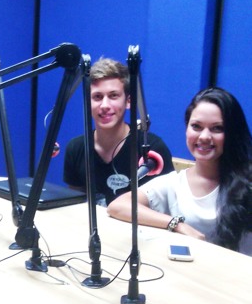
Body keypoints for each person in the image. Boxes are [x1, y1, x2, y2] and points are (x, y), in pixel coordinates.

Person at [107, 87, 252, 256]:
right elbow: (117, 206)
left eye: (217, 128)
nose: (204, 136)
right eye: (196, 126)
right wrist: (177, 224)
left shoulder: (247, 182)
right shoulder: (174, 184)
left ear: (232, 133)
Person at [63, 57, 174, 206]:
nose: (104, 105)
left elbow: (167, 207)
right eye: (97, 97)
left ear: (128, 101)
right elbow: (74, 205)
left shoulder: (152, 150)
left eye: (113, 96)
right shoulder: (76, 148)